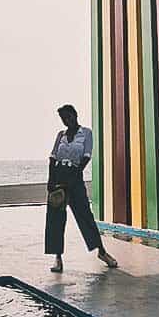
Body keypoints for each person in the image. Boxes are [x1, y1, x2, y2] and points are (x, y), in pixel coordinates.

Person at [45, 104, 118, 272]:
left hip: (75, 176)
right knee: (55, 219)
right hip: (58, 177)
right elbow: (52, 158)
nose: (66, 121)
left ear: (75, 115)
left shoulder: (86, 133)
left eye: (68, 117)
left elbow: (86, 157)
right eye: (63, 118)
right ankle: (58, 258)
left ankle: (102, 252)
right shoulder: (60, 135)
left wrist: (74, 177)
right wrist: (51, 181)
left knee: (85, 216)